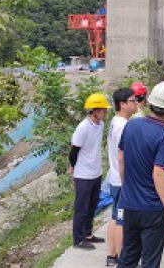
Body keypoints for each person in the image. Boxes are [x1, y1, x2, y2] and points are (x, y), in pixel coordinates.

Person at [117, 82, 164, 268]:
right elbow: (158, 173)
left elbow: (121, 159)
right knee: (150, 261)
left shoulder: (132, 125)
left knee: (128, 257)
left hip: (130, 204)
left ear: (150, 104)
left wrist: (126, 188)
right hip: (152, 209)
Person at [69, 93, 110, 250]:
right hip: (84, 174)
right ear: (94, 111)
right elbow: (74, 151)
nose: (106, 113)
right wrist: (73, 167)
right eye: (103, 110)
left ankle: (88, 234)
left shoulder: (100, 125)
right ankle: (78, 239)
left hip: (96, 172)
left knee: (92, 205)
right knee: (81, 208)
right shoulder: (82, 128)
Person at [106, 88, 138, 266]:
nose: (136, 104)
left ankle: (112, 256)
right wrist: (126, 182)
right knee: (121, 221)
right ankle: (123, 260)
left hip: (114, 179)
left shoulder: (114, 122)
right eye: (132, 101)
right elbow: (121, 156)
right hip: (121, 181)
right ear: (122, 104)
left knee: (114, 217)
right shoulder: (124, 126)